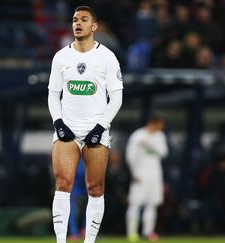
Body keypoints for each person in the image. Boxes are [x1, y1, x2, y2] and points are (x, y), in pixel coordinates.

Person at [47, 5, 123, 243]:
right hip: (67, 129)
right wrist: (59, 123)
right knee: (62, 184)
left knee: (95, 188)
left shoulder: (107, 57)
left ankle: (89, 241)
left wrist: (101, 127)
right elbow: (53, 95)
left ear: (94, 26)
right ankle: (61, 241)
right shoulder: (61, 57)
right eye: (74, 19)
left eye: (83, 19)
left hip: (96, 130)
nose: (77, 23)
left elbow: (117, 96)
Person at [125, 115, 168, 242]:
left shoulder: (160, 136)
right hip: (140, 173)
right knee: (135, 203)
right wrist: (133, 173)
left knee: (153, 203)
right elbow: (130, 156)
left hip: (155, 173)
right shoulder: (137, 135)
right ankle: (132, 233)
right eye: (160, 125)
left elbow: (164, 152)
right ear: (153, 123)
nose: (161, 128)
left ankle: (148, 232)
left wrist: (149, 145)